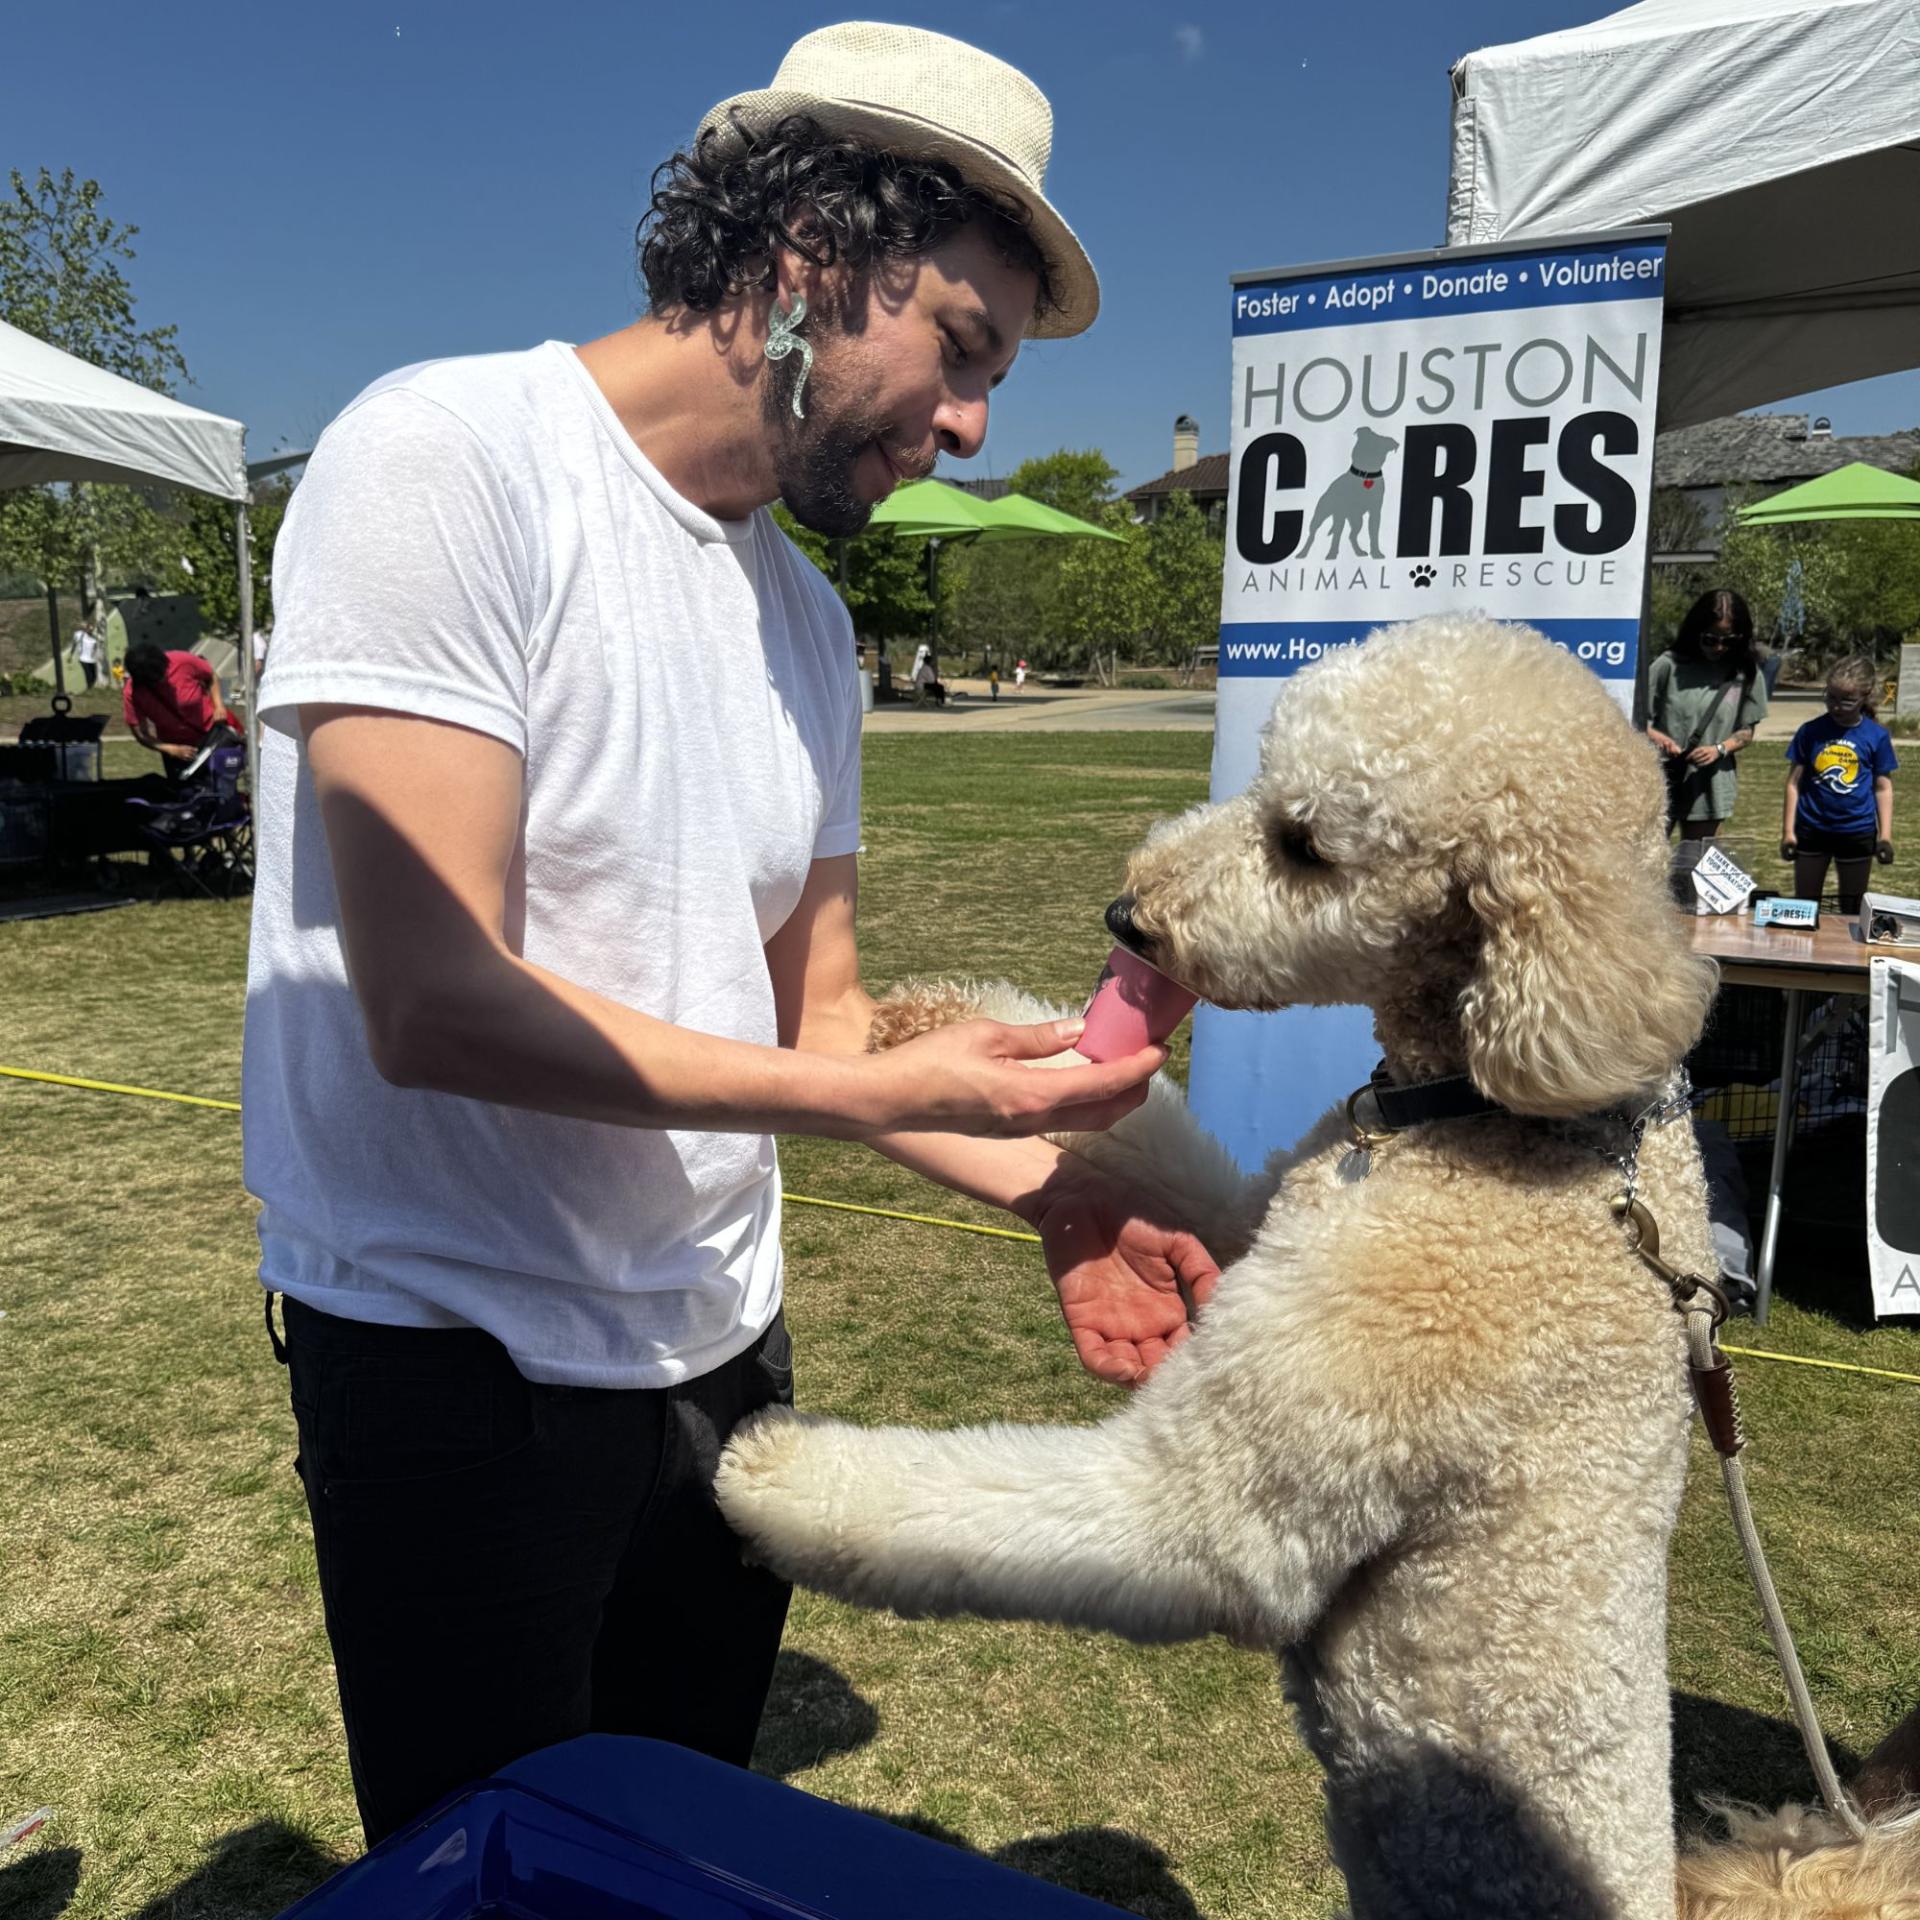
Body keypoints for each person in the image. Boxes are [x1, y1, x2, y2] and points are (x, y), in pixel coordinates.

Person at [241, 21, 1217, 1851]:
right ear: (809, 255)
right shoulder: (449, 459)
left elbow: (822, 1022)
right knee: (497, 1874)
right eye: (963, 349)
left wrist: (1052, 1194)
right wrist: (873, 1098)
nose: (973, 425)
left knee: (674, 1854)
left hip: (721, 1357)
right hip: (460, 1372)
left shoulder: (806, 623)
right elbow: (436, 1003)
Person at [1646, 588, 1768, 838]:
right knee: (1647, 856)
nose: (1719, 647)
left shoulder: (1746, 673)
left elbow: (1746, 732)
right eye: (1710, 639)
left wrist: (1719, 749)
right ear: (1695, 632)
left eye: (1729, 640)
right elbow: (1636, 719)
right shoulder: (1668, 665)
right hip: (1660, 778)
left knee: (1700, 858)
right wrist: (1659, 739)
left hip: (1709, 784)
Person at [1782, 652, 1897, 914]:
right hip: (1812, 829)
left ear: (1865, 696)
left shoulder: (1876, 736)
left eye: (1846, 701)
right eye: (1831, 697)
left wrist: (1885, 836)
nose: (1836, 707)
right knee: (1804, 908)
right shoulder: (1810, 732)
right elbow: (1793, 784)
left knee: (1852, 910)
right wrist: (1788, 831)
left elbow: (1883, 788)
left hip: (1857, 831)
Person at [121, 638, 240, 777]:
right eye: (155, 679)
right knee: (187, 788)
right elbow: (141, 734)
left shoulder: (182, 661)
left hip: (213, 734)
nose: (162, 680)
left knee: (225, 779)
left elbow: (211, 675)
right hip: (178, 750)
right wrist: (170, 749)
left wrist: (219, 705)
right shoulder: (132, 693)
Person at [71, 622, 103, 690]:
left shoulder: (94, 638)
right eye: (88, 629)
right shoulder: (79, 634)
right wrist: (71, 654)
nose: (90, 631)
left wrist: (96, 654)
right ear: (86, 629)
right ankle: (89, 688)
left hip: (92, 659)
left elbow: (96, 647)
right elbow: (74, 643)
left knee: (94, 676)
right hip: (83, 659)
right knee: (88, 675)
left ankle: (91, 688)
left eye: (91, 630)